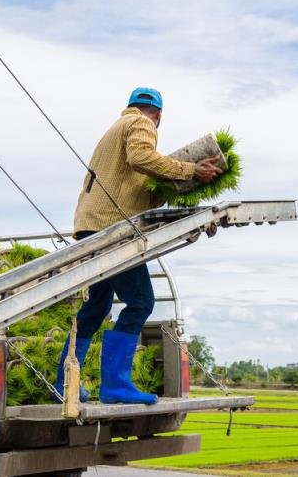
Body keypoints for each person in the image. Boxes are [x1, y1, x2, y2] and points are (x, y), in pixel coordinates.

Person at [53, 87, 223, 404]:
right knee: (141, 301)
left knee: (97, 306)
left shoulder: (114, 131)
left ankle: (63, 384)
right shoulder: (141, 124)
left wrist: (176, 184)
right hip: (113, 229)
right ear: (157, 114)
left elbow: (137, 185)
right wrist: (190, 169)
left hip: (90, 226)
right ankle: (115, 384)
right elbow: (142, 157)